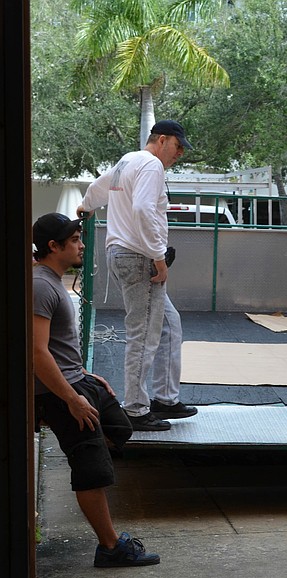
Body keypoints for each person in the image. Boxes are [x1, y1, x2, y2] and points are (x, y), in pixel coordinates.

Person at [32, 212, 160, 567]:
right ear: (53, 246)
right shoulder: (41, 285)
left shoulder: (53, 279)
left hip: (77, 378)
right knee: (92, 468)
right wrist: (71, 400)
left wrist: (86, 376)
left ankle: (87, 450)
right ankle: (110, 547)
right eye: (74, 240)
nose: (82, 245)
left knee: (119, 426)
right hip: (60, 392)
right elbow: (36, 353)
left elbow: (56, 346)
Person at [77, 120, 198, 431]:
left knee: (169, 324)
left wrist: (86, 207)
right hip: (138, 257)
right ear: (160, 139)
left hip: (123, 253)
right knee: (143, 335)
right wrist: (159, 257)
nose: (180, 152)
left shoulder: (128, 161)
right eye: (177, 145)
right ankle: (135, 408)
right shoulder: (151, 165)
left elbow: (98, 188)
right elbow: (144, 210)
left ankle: (165, 399)